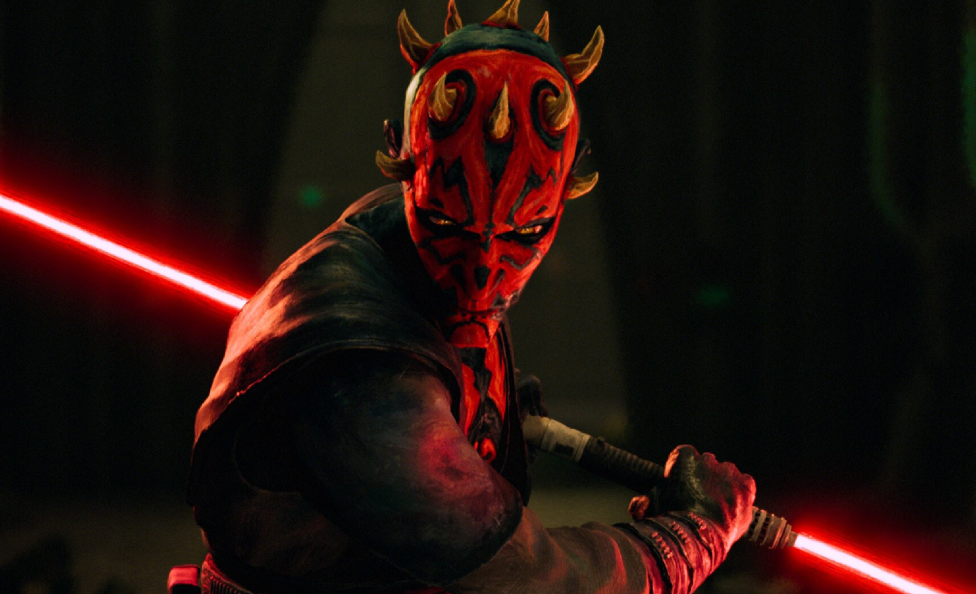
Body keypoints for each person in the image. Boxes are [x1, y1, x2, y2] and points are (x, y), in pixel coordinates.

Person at [185, 2, 755, 593]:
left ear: (568, 189)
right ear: (406, 167)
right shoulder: (359, 371)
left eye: (525, 231)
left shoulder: (396, 233)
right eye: (446, 225)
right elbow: (529, 578)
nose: (483, 275)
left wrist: (480, 406)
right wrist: (685, 539)